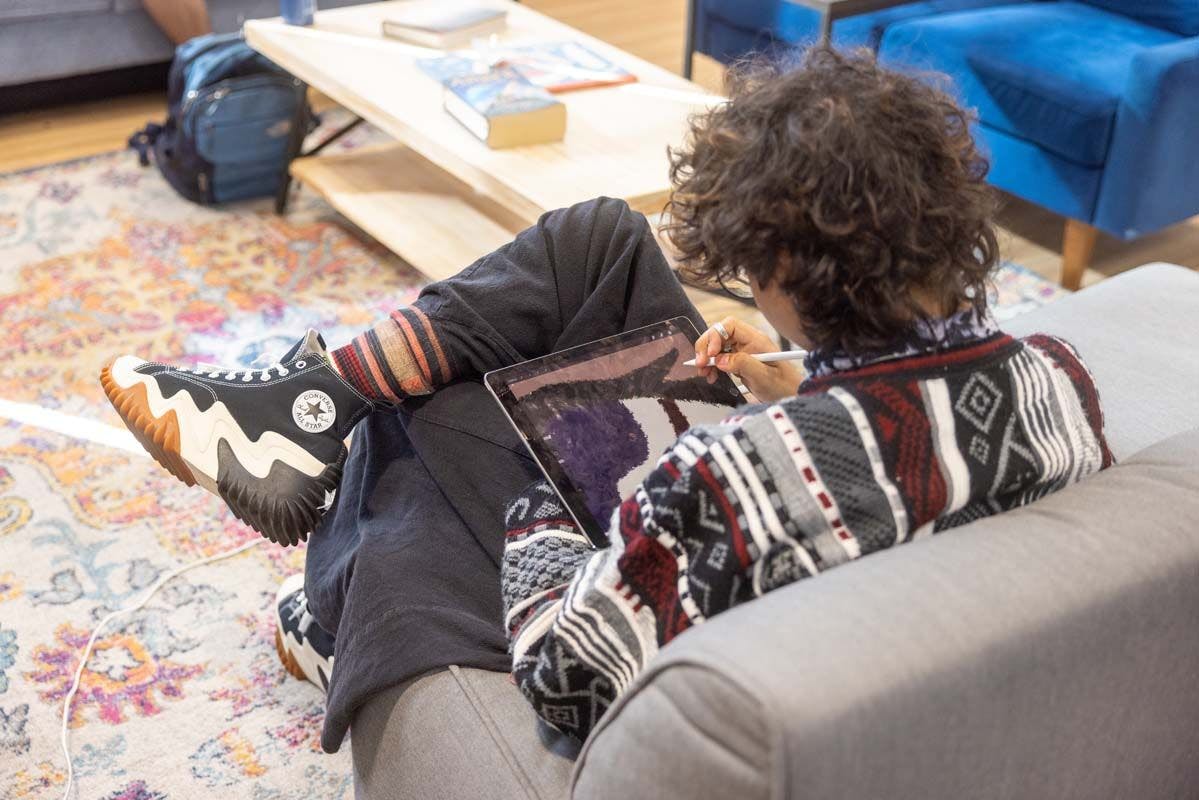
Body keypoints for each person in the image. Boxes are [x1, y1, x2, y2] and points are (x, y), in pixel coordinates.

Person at [100, 47, 1112, 751]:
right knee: (599, 240)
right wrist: (793, 380)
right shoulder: (1054, 379)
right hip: (808, 473)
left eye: (755, 269)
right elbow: (908, 443)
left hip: (708, 523)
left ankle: (330, 580)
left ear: (790, 270)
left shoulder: (711, 482)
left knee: (443, 410)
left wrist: (564, 480)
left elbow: (564, 668)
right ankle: (309, 402)